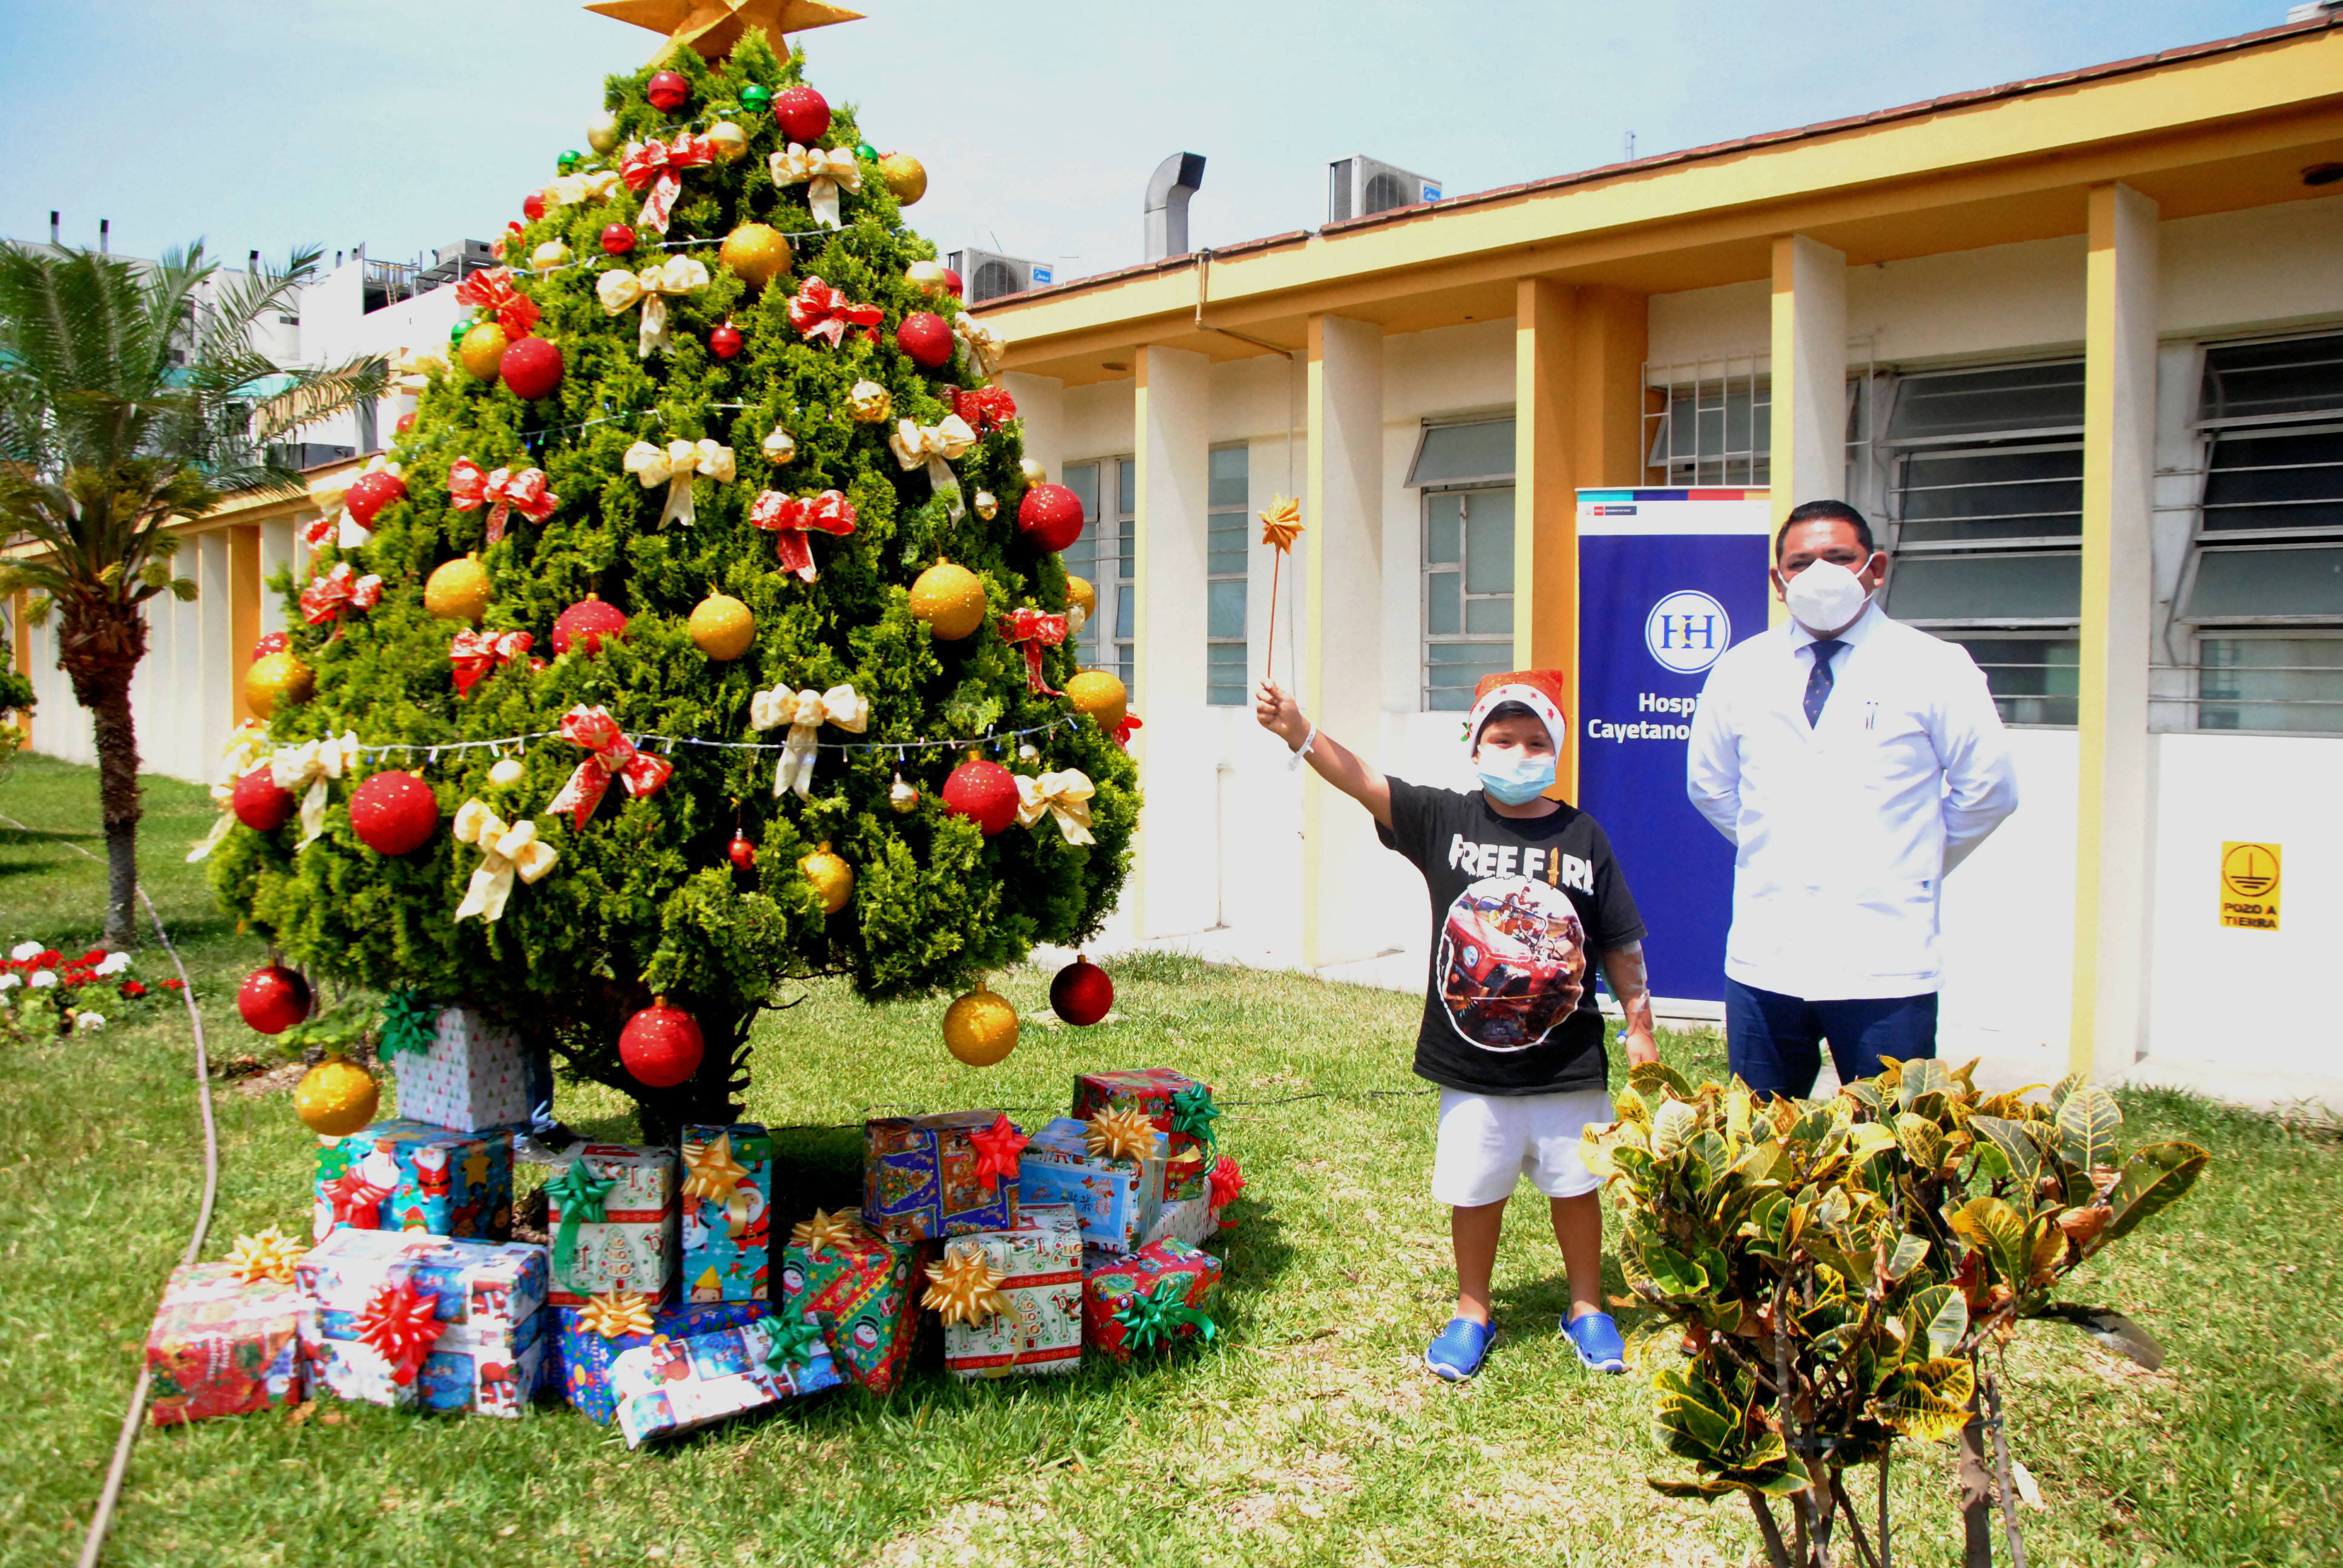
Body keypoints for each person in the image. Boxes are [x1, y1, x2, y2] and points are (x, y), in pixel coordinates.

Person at [1256, 668, 1658, 1382]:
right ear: (1474, 748)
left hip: (1567, 1063)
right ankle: (1472, 1310)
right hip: (1473, 1066)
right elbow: (1362, 780)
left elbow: (1619, 940)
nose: (1518, 753)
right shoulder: (1446, 821)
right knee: (1474, 1191)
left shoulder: (1582, 835)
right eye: (1502, 738)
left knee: (1576, 1187)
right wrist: (1299, 731)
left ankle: (1586, 1307)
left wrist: (1639, 1023)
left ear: (1556, 751)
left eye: (1535, 741)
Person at [1686, 498, 2019, 1100]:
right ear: (1777, 581)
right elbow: (1709, 785)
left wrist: (1909, 863)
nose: (1820, 573)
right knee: (1760, 1152)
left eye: (1838, 558)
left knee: (1888, 1157)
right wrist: (1779, 850)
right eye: (1801, 561)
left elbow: (1988, 790)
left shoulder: (1934, 667)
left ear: (1875, 569)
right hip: (1767, 956)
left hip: (1885, 962)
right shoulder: (1740, 670)